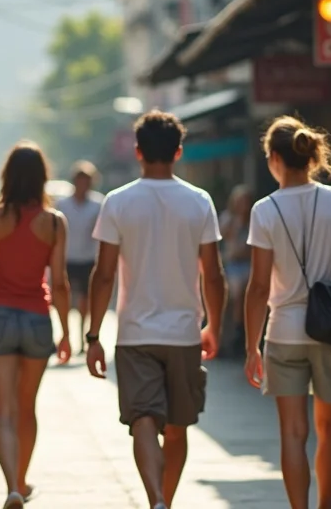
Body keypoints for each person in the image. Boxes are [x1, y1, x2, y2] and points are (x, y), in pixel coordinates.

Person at [86, 110, 226, 509]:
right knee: (179, 426)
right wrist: (213, 324)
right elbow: (212, 275)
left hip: (135, 334)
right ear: (179, 152)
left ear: (137, 152)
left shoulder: (118, 202)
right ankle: (166, 500)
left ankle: (156, 501)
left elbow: (104, 275)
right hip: (184, 332)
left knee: (142, 419)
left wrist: (94, 336)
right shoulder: (199, 202)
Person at [242, 116, 331, 509]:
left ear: (275, 159)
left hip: (283, 333)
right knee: (329, 428)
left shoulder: (263, 210)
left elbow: (259, 286)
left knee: (293, 433)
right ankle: (325, 507)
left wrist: (253, 346)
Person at [0, 141, 72, 509]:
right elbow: (61, 283)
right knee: (27, 407)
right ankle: (23, 477)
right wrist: (67, 332)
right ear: (42, 178)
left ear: (6, 176)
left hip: (0, 319)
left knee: (2, 412)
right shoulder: (54, 223)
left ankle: (12, 488)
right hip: (38, 319)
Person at [55, 160, 103, 353]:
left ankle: (82, 335)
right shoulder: (63, 204)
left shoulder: (98, 204)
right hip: (67, 256)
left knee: (85, 300)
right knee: (64, 297)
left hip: (88, 258)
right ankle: (65, 334)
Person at [220, 185, 252, 357]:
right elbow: (225, 238)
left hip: (249, 263)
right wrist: (236, 221)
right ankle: (236, 332)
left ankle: (243, 330)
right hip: (232, 265)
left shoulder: (254, 220)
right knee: (237, 288)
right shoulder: (228, 219)